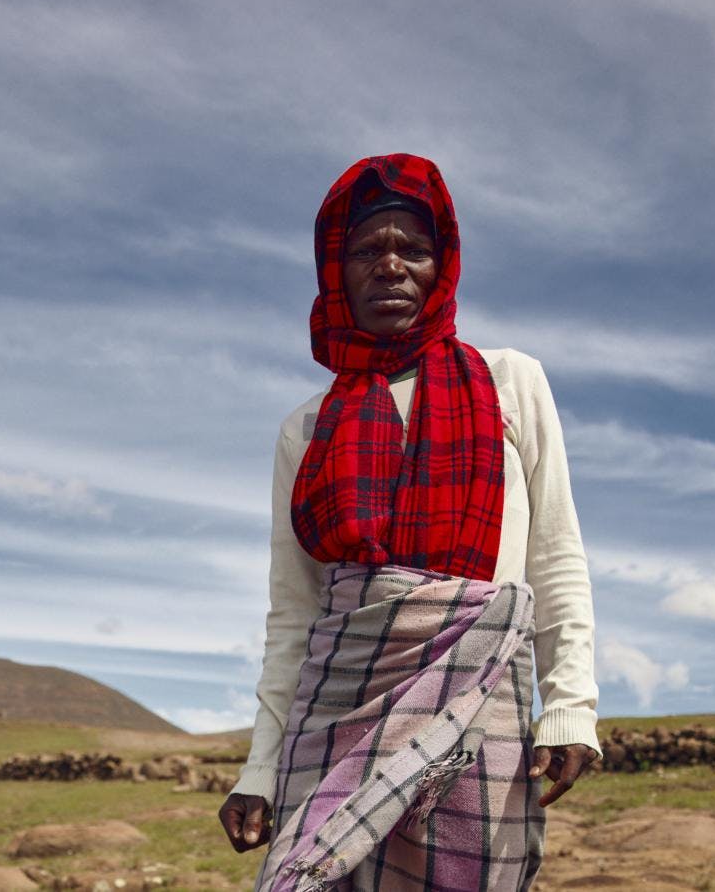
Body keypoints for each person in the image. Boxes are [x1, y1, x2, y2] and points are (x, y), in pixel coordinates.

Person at [218, 153, 602, 891]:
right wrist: (261, 767)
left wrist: (571, 708)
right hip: (336, 717)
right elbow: (296, 613)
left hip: (478, 709)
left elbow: (555, 556)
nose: (391, 267)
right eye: (368, 250)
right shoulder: (305, 429)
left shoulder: (509, 382)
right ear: (337, 271)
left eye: (413, 250)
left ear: (441, 264)